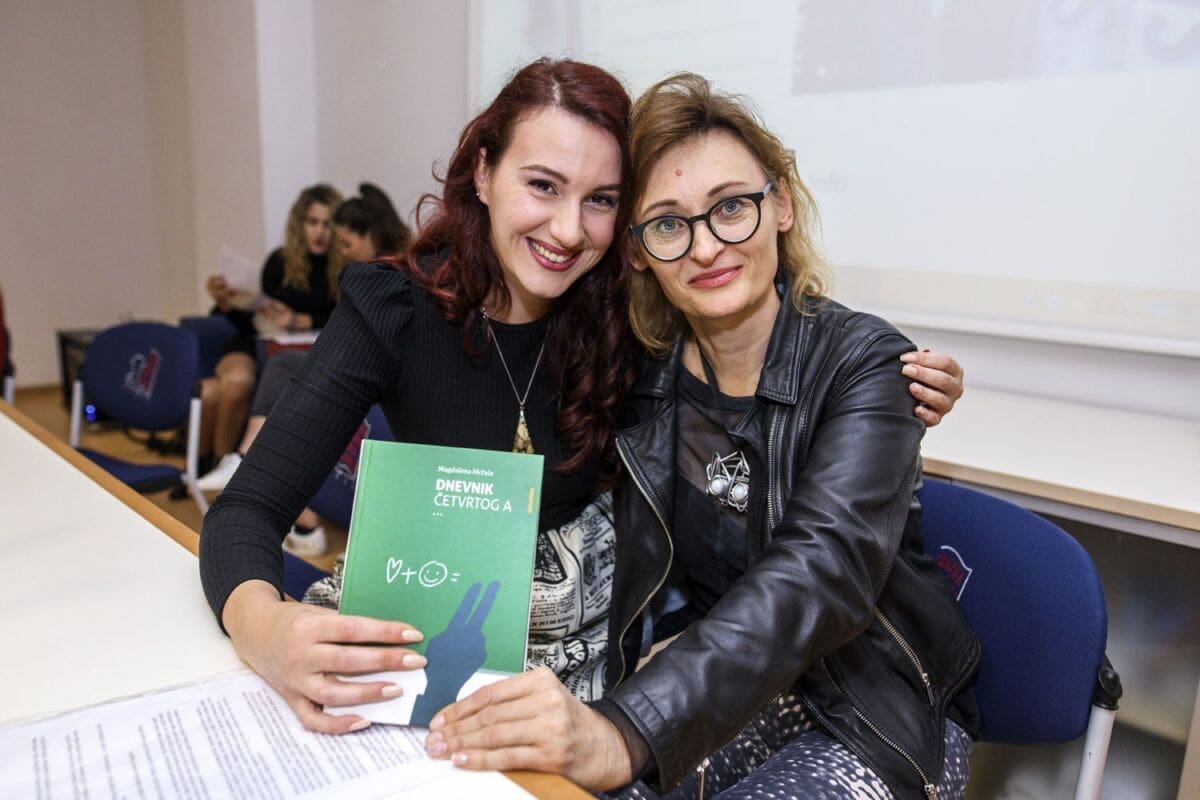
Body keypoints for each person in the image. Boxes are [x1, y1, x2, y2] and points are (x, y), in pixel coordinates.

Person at [197, 58, 965, 781]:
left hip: (727, 687)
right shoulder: (421, 311)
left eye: (600, 201)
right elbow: (249, 505)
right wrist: (267, 631)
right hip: (473, 636)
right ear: (483, 172)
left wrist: (881, 395)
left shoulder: (639, 329)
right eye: (543, 185)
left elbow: (810, 551)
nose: (569, 231)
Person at [424, 73, 980, 799]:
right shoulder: (643, 378)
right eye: (668, 223)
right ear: (637, 250)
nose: (707, 247)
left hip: (868, 706)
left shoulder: (866, 367)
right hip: (718, 686)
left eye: (731, 207)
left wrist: (627, 727)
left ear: (781, 203)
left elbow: (823, 569)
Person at [197, 182, 413, 557]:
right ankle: (284, 500)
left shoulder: (384, 274)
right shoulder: (381, 269)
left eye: (345, 242)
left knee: (289, 371)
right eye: (314, 224)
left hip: (377, 370)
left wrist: (303, 323)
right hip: (353, 361)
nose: (340, 249)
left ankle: (249, 465)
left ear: (369, 236)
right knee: (287, 371)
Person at [197, 184, 345, 490]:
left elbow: (345, 316)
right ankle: (214, 470)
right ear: (299, 224)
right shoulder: (280, 261)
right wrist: (225, 302)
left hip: (303, 349)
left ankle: (222, 473)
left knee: (220, 388)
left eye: (327, 223)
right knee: (234, 382)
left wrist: (300, 320)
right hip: (257, 339)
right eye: (312, 222)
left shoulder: (345, 267)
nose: (320, 232)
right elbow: (250, 314)